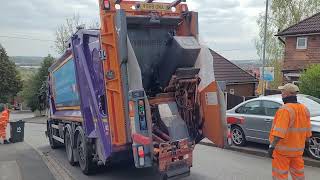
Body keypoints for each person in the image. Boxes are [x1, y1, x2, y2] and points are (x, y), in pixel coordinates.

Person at [268, 83, 312, 180]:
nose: (281, 94)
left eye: (282, 92)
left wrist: (272, 147)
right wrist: (307, 143)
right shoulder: (304, 109)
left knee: (280, 175)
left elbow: (279, 133)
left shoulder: (285, 110)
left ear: (287, 94)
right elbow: (308, 130)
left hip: (282, 152)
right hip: (298, 152)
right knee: (298, 175)